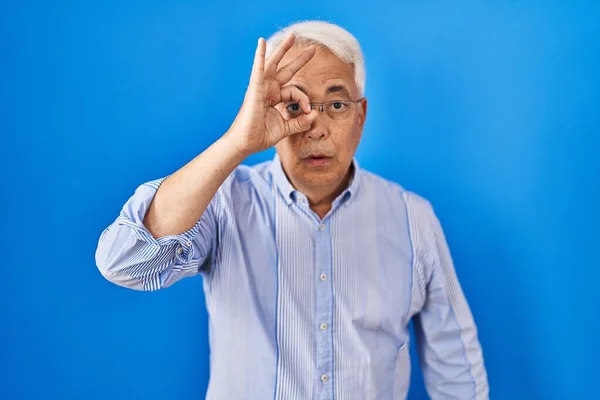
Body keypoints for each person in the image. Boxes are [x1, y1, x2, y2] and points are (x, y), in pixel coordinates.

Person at [95, 20, 489, 400]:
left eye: (337, 103)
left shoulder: (412, 218)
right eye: (295, 104)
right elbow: (124, 262)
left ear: (360, 116)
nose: (315, 128)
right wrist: (238, 143)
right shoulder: (226, 204)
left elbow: (456, 364)